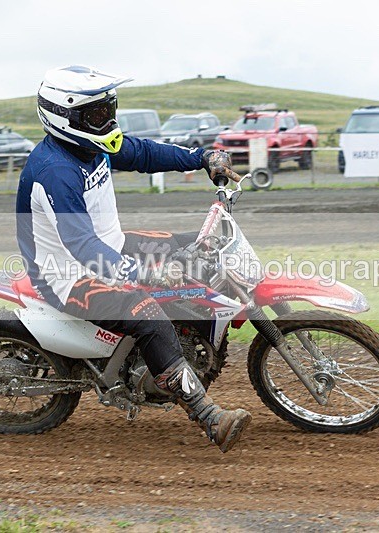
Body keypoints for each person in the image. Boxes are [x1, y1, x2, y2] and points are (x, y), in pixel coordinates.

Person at [16, 65, 250, 452]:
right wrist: (143, 274)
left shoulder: (91, 144)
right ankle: (208, 417)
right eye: (95, 115)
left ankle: (193, 343)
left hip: (111, 245)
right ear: (65, 115)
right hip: (66, 274)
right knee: (147, 311)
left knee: (199, 246)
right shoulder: (55, 170)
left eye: (109, 109)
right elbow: (82, 246)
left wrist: (201, 158)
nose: (106, 120)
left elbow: (141, 152)